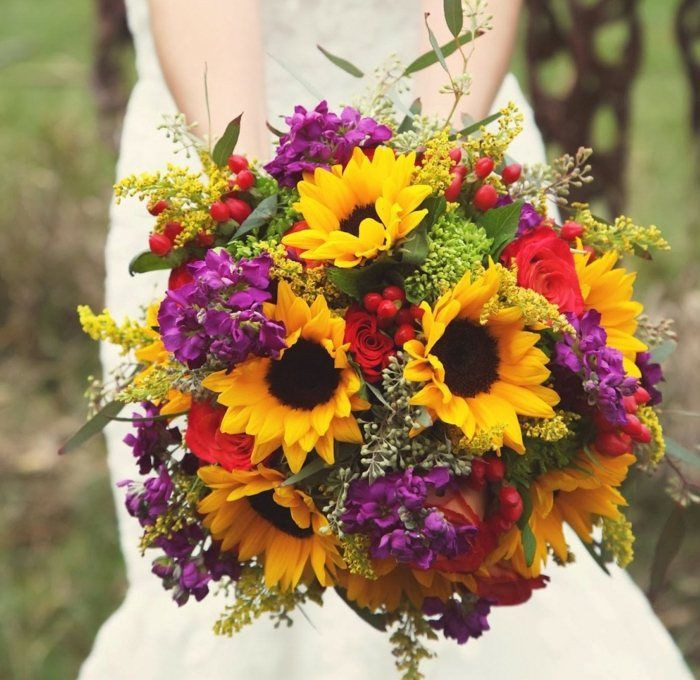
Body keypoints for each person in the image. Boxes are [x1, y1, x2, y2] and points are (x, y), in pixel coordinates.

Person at [80, 1, 693, 678]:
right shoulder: (233, 199)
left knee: (498, 499)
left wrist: (442, 185)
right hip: (217, 146)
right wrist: (249, 224)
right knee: (222, 545)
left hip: (460, 125)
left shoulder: (454, 167)